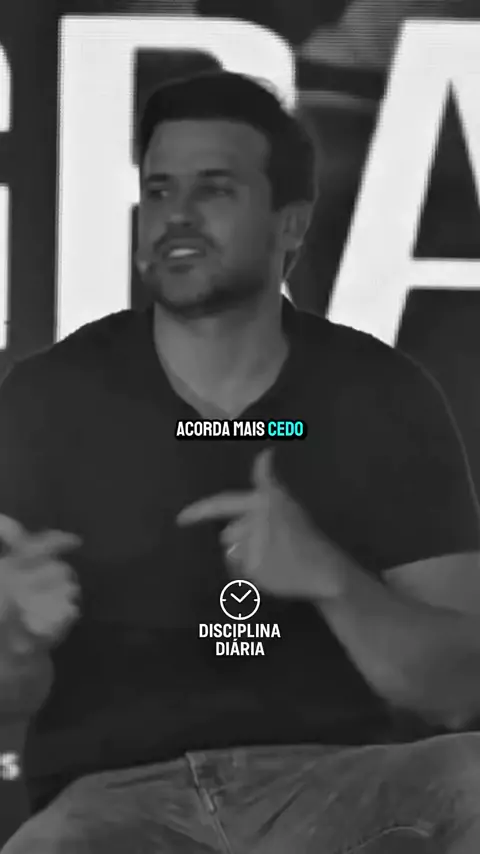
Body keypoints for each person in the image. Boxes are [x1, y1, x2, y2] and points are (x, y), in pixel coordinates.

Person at [2, 70, 480, 854]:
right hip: (116, 800)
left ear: (291, 224)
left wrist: (329, 577)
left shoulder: (381, 394)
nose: (177, 215)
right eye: (159, 190)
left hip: (336, 785)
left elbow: (459, 687)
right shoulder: (47, 397)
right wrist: (17, 635)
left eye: (214, 189)